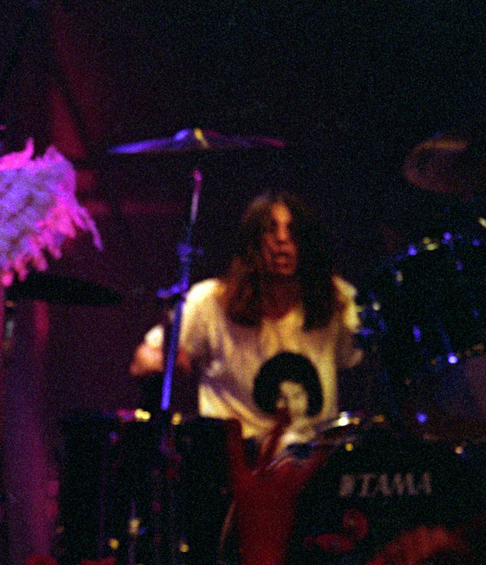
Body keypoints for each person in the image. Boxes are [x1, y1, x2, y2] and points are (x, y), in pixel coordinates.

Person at [130, 191, 363, 455]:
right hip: (236, 465)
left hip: (313, 463)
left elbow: (365, 353)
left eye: (292, 230)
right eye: (270, 229)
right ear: (253, 242)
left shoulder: (336, 298)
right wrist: (167, 362)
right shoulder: (211, 301)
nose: (282, 239)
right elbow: (142, 360)